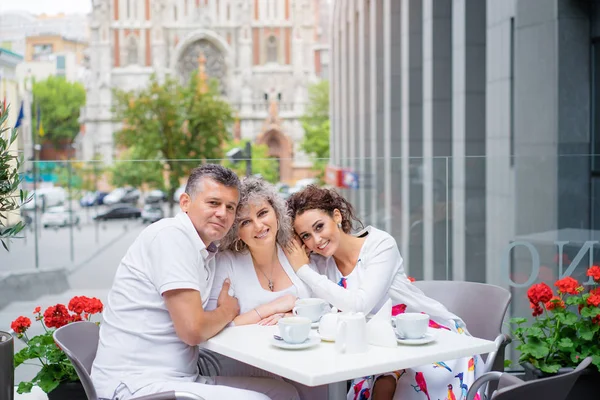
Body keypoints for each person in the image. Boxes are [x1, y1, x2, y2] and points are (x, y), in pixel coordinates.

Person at [91, 164, 299, 400]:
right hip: (135, 385)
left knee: (283, 392)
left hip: (180, 379)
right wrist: (228, 310)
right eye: (213, 203)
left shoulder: (206, 252)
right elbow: (194, 330)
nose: (222, 213)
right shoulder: (171, 237)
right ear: (185, 202)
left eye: (230, 207)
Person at [284, 185, 480, 400]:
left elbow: (360, 305)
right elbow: (313, 308)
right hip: (373, 347)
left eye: (319, 227)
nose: (316, 240)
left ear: (337, 216)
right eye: (306, 236)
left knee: (391, 384)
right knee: (379, 382)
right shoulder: (321, 265)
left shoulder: (379, 245)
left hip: (423, 339)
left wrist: (302, 268)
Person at [206, 177, 326, 400]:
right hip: (250, 367)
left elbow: (323, 304)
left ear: (277, 212)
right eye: (245, 222)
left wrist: (293, 313)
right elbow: (212, 328)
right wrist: (274, 307)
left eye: (262, 213)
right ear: (235, 230)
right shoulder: (227, 263)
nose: (259, 226)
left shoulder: (294, 249)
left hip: (303, 358)